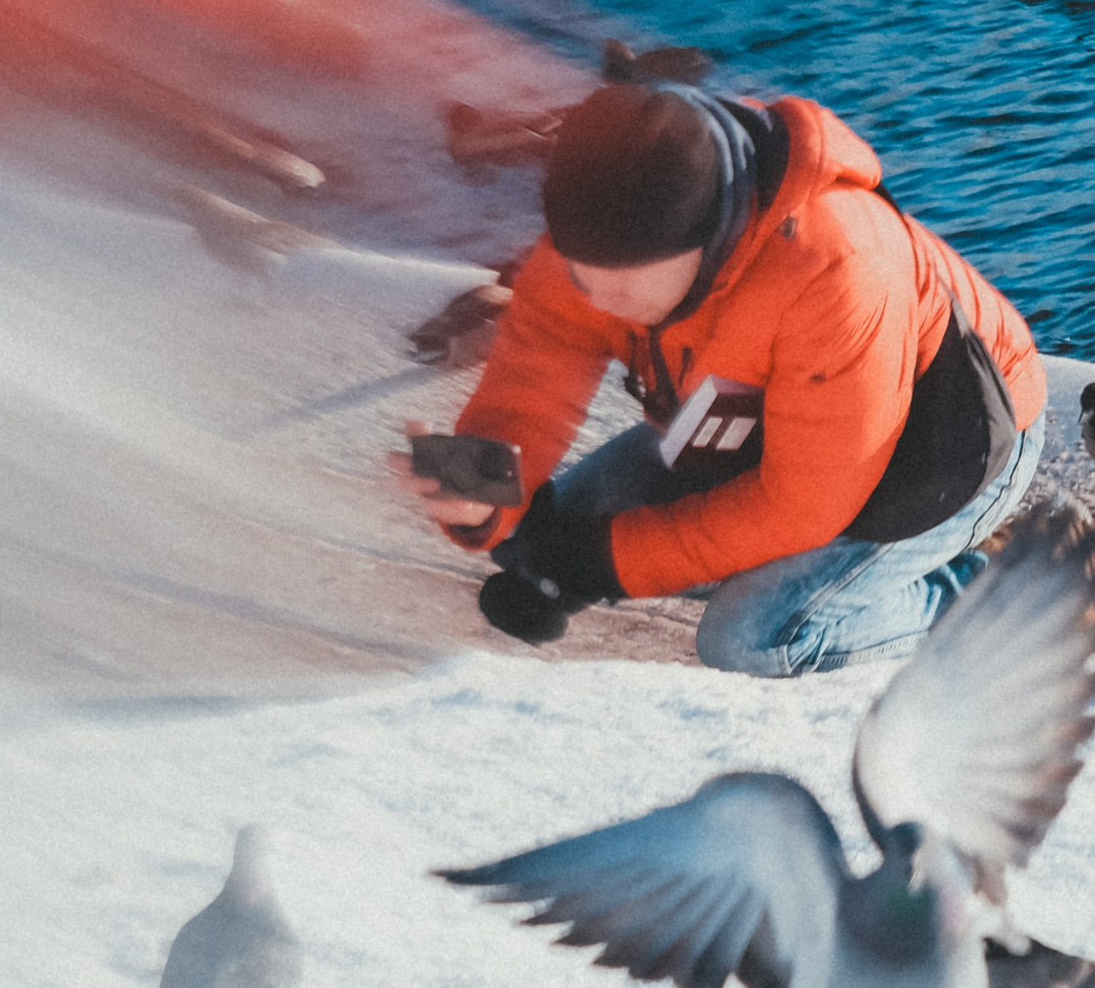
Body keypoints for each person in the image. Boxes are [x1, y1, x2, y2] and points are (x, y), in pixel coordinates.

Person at [391, 79, 1047, 676]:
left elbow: (801, 507)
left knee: (753, 637)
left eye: (621, 282)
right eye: (582, 275)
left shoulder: (834, 268)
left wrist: (600, 562)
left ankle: (1005, 600)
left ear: (708, 240)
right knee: (539, 534)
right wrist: (481, 487)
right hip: (751, 417)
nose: (596, 297)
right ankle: (856, 571)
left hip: (945, 444)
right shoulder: (598, 232)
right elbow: (535, 374)